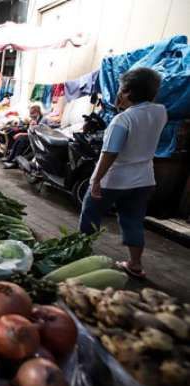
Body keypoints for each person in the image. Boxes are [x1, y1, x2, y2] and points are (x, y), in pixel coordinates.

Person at [79, 67, 167, 279]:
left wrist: (97, 180)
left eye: (121, 88)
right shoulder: (160, 112)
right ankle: (135, 265)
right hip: (144, 179)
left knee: (90, 214)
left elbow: (111, 152)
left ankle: (81, 257)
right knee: (133, 220)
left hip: (114, 180)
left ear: (128, 91)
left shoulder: (123, 120)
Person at [2, 104, 49, 169]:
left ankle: (15, 161)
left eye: (32, 114)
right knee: (19, 138)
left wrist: (21, 133)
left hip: (37, 139)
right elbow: (30, 130)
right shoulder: (36, 119)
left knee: (21, 140)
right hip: (33, 136)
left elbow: (36, 133)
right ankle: (10, 158)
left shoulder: (43, 120)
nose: (30, 115)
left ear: (37, 112)